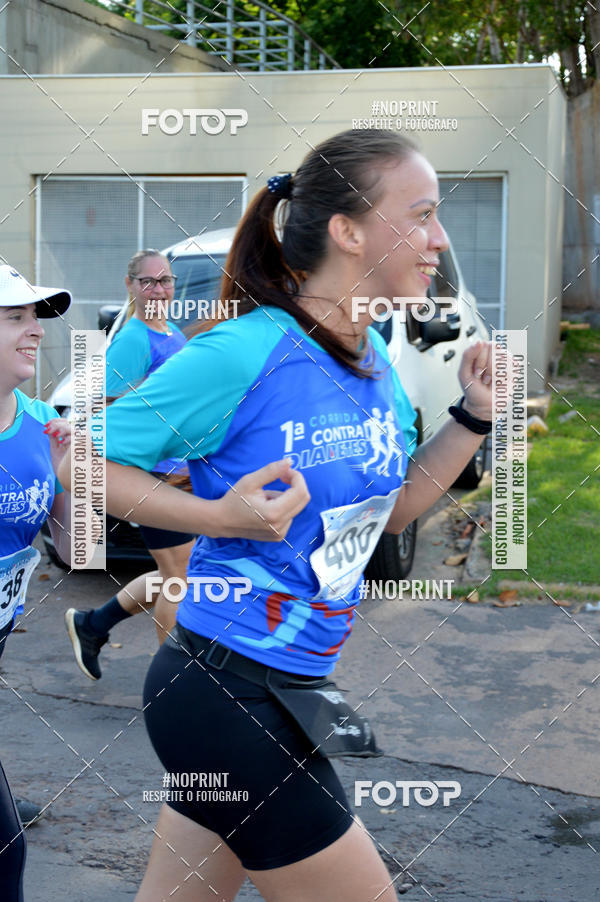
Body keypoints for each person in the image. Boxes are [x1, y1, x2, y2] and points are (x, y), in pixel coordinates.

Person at [60, 129, 495, 901]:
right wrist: (216, 517)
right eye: (422, 214)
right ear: (348, 230)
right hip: (229, 694)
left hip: (280, 690)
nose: (439, 239)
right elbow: (77, 461)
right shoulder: (244, 351)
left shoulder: (370, 366)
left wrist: (473, 417)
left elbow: (392, 517)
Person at [64, 250, 196, 680]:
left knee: (173, 573)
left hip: (182, 474)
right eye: (148, 282)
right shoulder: (135, 339)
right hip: (158, 477)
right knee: (179, 578)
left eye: (165, 281)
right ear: (130, 286)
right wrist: (148, 466)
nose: (158, 289)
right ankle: (177, 687)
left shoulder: (170, 330)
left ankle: (92, 625)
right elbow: (103, 409)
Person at [0, 264, 72, 901]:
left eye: (37, 318)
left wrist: (73, 477)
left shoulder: (42, 421)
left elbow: (82, 552)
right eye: (15, 317)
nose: (36, 332)